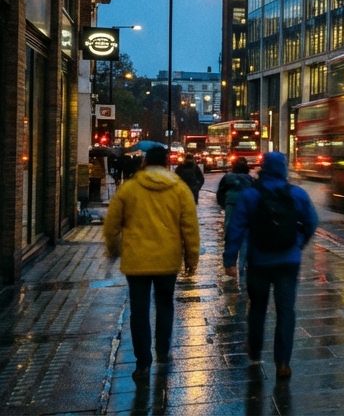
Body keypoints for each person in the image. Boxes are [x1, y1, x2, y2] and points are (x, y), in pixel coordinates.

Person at [102, 145, 200, 380]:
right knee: (165, 306)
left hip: (137, 262)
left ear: (145, 162)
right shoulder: (179, 189)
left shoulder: (130, 188)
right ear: (167, 163)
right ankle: (163, 350)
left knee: (139, 311)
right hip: (168, 261)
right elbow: (190, 228)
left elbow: (111, 224)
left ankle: (143, 362)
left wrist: (114, 249)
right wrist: (191, 259)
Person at [224, 151, 318, 379]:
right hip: (288, 261)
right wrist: (298, 243)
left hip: (259, 260)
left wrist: (230, 259)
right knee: (286, 311)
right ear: (284, 169)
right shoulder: (297, 193)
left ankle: (255, 350)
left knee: (257, 307)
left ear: (263, 168)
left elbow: (235, 228)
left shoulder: (251, 195)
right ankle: (283, 362)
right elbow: (311, 222)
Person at [215, 158, 254, 277]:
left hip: (231, 208)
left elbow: (220, 194)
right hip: (247, 210)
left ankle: (230, 265)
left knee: (230, 235)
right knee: (247, 238)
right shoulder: (250, 180)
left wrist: (224, 205)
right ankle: (245, 264)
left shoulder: (227, 178)